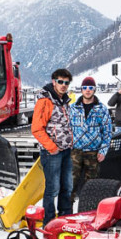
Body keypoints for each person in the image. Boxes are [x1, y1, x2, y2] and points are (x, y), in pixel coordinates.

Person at [31, 68, 74, 225]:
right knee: (52, 189)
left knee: (67, 187)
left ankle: (66, 219)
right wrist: (52, 147)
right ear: (54, 81)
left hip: (66, 150)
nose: (63, 85)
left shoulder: (64, 101)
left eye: (66, 83)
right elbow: (36, 128)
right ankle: (49, 222)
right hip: (52, 153)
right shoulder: (45, 101)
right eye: (60, 82)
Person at [70, 76, 114, 199]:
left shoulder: (101, 109)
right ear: (81, 90)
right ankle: (66, 211)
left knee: (91, 185)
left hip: (93, 152)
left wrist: (103, 151)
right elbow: (67, 129)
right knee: (71, 183)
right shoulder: (73, 108)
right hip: (75, 152)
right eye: (85, 88)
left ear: (94, 90)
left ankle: (89, 210)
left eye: (90, 88)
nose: (87, 90)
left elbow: (107, 132)